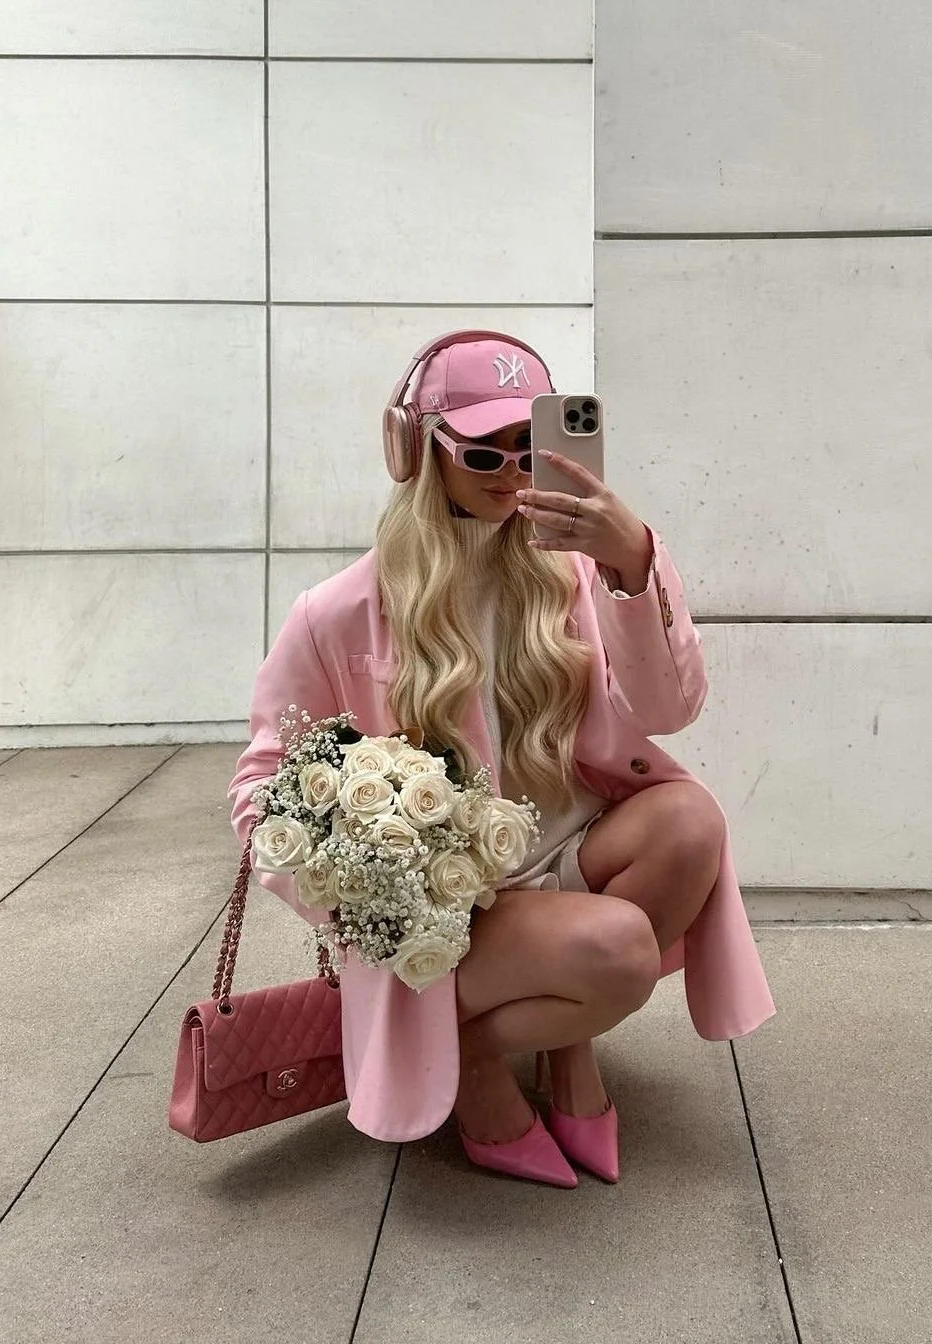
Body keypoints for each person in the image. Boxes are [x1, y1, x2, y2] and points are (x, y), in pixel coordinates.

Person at [228, 330, 774, 1188]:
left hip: (563, 852)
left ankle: (555, 1050)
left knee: (690, 823)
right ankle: (478, 1063)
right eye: (483, 454)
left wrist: (633, 562)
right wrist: (370, 882)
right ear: (417, 453)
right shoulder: (338, 612)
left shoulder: (579, 577)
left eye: (533, 449)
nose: (514, 476)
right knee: (621, 952)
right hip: (455, 908)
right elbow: (260, 790)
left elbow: (670, 710)